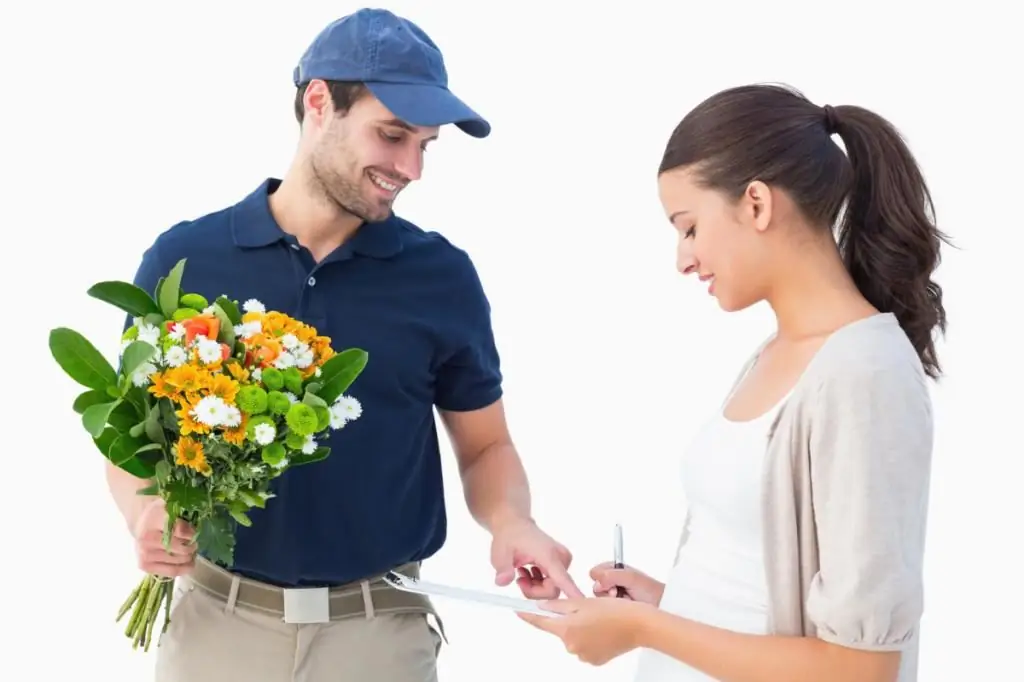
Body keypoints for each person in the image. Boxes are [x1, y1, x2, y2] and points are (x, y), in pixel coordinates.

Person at [105, 8, 582, 682]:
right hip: (216, 627)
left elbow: (486, 445)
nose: (411, 167)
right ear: (319, 102)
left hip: (380, 634)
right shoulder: (185, 260)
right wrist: (143, 509)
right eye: (392, 137)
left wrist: (511, 522)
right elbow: (127, 437)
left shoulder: (440, 277)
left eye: (425, 144)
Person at [519, 83, 946, 682]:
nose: (682, 259)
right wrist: (666, 605)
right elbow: (758, 597)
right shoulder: (779, 353)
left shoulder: (863, 375)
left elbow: (860, 667)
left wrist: (645, 629)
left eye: (689, 227)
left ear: (756, 204)